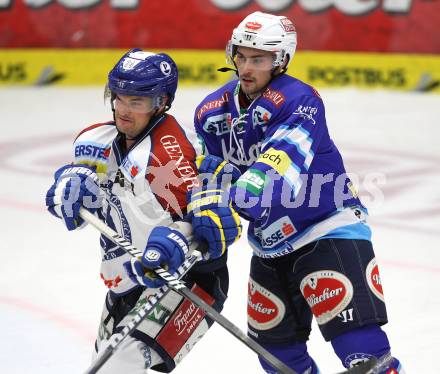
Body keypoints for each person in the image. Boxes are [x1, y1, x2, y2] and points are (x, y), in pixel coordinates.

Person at [187, 11, 404, 373]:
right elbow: (198, 173)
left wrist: (227, 195)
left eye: (258, 59)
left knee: (364, 356)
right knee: (278, 357)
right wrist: (197, 216)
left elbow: (273, 176)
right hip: (269, 247)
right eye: (240, 56)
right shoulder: (211, 112)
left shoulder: (300, 101)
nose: (245, 67)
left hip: (328, 231)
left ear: (281, 60)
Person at [45, 49, 240, 373]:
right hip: (128, 280)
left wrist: (180, 238)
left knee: (118, 367)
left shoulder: (171, 156)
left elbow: (210, 225)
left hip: (187, 282)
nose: (123, 110)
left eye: (136, 102)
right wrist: (68, 185)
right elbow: (86, 195)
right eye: (119, 98)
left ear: (161, 103)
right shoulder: (95, 140)